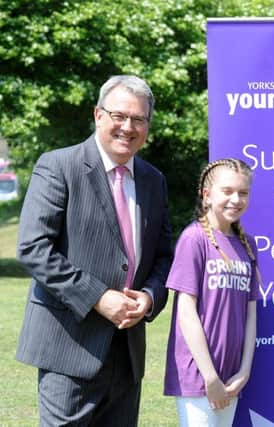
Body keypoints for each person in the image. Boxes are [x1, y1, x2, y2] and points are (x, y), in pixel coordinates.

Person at [16, 75, 173, 426]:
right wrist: (99, 297)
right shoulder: (59, 166)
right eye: (119, 115)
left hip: (127, 354)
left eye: (138, 119)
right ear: (98, 115)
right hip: (69, 346)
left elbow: (164, 256)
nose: (127, 127)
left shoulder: (153, 180)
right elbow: (33, 247)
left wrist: (149, 296)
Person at [164, 158, 260, 426]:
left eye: (243, 193)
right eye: (227, 191)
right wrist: (210, 377)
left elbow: (251, 315)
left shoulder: (247, 245)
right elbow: (186, 312)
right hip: (199, 376)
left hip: (231, 376)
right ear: (207, 196)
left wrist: (244, 371)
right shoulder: (194, 239)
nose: (235, 199)